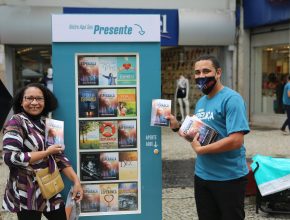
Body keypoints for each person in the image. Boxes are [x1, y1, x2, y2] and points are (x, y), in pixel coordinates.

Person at [168, 55, 250, 220]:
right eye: (197, 72)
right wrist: (177, 126)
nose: (201, 76)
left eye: (206, 71)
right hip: (202, 177)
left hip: (229, 178)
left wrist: (202, 150)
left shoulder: (232, 99)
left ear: (218, 73)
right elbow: (198, 137)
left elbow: (236, 140)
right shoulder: (201, 102)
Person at [2, 83, 83, 220]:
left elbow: (59, 156)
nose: (34, 102)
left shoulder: (49, 124)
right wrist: (46, 153)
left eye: (39, 98)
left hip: (51, 186)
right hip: (26, 190)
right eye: (29, 98)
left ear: (45, 102)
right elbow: (10, 157)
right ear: (22, 102)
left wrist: (76, 182)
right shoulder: (16, 122)